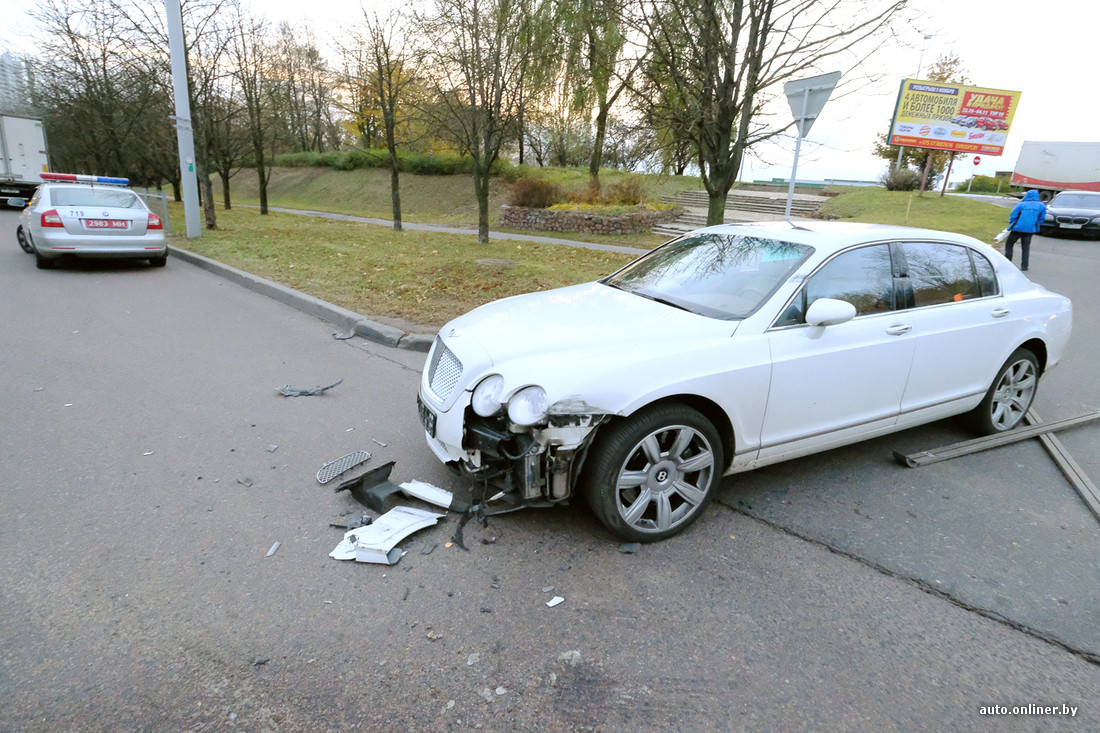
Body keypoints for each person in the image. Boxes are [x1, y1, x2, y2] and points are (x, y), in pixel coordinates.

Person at [1004, 189, 1047, 272]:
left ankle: (1007, 263)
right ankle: (1024, 266)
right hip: (1030, 230)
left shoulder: (1021, 205)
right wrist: (1036, 224)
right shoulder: (1041, 206)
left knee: (1009, 244)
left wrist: (1012, 223)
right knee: (1025, 247)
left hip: (1017, 228)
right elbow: (1042, 218)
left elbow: (1013, 215)